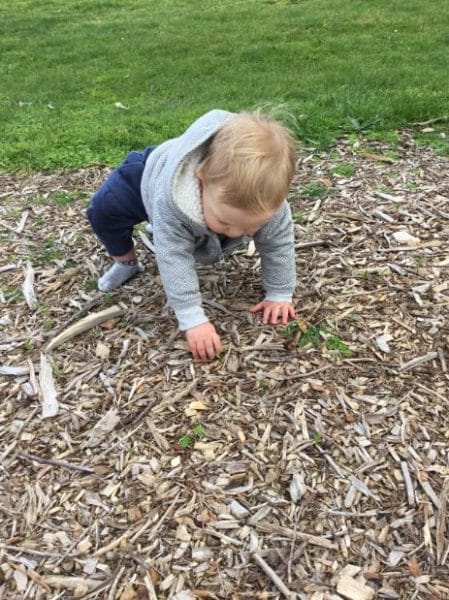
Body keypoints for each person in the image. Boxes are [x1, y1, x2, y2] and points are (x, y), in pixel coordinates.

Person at [87, 109, 298, 360]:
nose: (239, 234)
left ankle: (182, 228)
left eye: (250, 227)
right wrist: (193, 320)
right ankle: (126, 261)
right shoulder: (172, 201)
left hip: (188, 207)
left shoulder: (265, 204)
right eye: (226, 223)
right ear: (200, 181)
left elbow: (278, 244)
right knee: (103, 211)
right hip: (147, 175)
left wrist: (279, 292)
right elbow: (174, 259)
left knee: (195, 230)